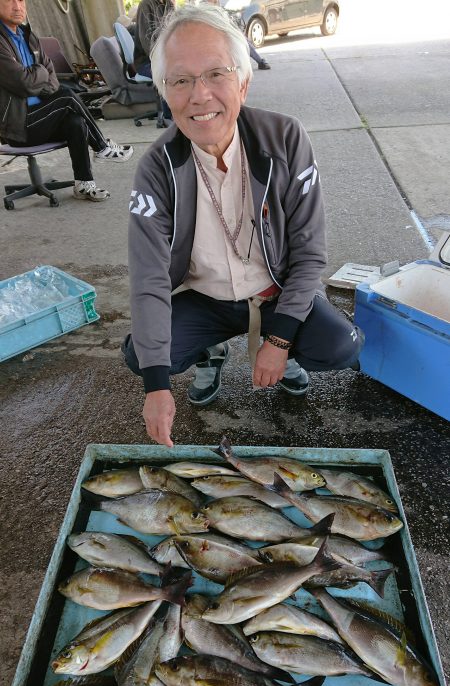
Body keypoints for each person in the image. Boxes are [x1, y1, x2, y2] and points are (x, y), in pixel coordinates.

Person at [123, 4, 364, 446]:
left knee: (340, 345)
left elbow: (309, 252)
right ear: (164, 92)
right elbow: (149, 278)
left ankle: (287, 350)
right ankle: (209, 352)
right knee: (143, 354)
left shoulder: (285, 138)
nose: (199, 95)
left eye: (216, 74)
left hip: (275, 294)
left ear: (244, 82)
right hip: (205, 299)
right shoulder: (156, 168)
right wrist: (156, 387)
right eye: (180, 80)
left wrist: (280, 339)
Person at [0, 0, 134, 202]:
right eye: (10, 0)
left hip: (44, 116)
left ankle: (84, 184)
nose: (17, 6)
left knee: (76, 122)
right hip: (18, 127)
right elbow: (22, 82)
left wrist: (35, 77)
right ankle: (101, 146)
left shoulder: (29, 36)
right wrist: (39, 72)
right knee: (66, 96)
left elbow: (51, 80)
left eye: (21, 0)